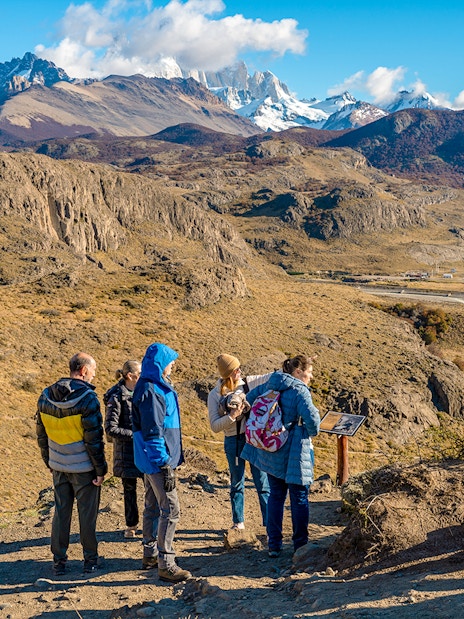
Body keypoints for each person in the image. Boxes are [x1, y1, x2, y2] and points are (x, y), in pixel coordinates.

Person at [241, 355, 320, 557]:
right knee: (299, 497)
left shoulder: (272, 383)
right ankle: (300, 547)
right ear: (298, 372)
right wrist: (311, 431)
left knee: (276, 495)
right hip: (294, 450)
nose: (311, 377)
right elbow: (312, 419)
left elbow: (248, 400)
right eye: (309, 372)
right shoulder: (299, 390)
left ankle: (274, 544)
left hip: (273, 449)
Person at [36, 352, 107, 576]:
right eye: (93, 371)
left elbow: (41, 434)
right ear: (84, 371)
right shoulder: (88, 399)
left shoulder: (45, 396)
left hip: (58, 465)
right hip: (83, 468)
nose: (94, 375)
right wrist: (100, 470)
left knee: (61, 512)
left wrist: (48, 460)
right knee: (87, 515)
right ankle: (90, 561)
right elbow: (94, 439)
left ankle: (59, 562)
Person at [132, 342, 191, 582]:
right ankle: (166, 564)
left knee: (153, 506)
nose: (173, 365)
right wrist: (165, 464)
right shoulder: (152, 391)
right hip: (157, 461)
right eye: (170, 361)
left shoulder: (152, 386)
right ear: (160, 364)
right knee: (171, 509)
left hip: (150, 460)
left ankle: (150, 554)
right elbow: (153, 432)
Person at [208, 353, 270, 530]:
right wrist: (232, 416)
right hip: (233, 441)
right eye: (236, 369)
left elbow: (269, 377)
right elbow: (214, 426)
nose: (240, 371)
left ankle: (269, 522)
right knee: (237, 482)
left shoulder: (248, 384)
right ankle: (238, 522)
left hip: (252, 439)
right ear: (229, 373)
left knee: (262, 480)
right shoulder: (214, 395)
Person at [104, 360, 142, 539]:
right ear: (130, 376)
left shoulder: (142, 391)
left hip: (143, 449)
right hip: (126, 452)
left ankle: (152, 525)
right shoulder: (116, 397)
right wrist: (136, 434)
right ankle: (131, 525)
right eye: (139, 374)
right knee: (129, 490)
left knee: (151, 487)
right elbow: (111, 428)